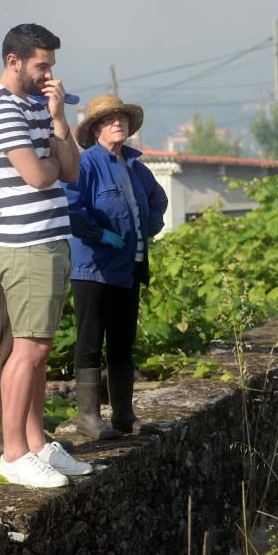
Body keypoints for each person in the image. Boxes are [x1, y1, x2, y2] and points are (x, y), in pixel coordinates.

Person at [0, 23, 92, 487]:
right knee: (28, 349)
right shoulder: (3, 110)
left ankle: (36, 444)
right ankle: (13, 452)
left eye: (52, 65)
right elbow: (37, 176)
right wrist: (53, 164)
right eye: (42, 66)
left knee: (39, 348)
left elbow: (71, 172)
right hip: (26, 243)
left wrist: (58, 120)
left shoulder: (37, 107)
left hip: (50, 240)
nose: (49, 74)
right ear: (13, 61)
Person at [63, 94, 167, 438]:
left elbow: (158, 198)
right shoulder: (87, 163)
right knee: (90, 341)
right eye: (109, 120)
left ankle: (124, 414)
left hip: (130, 266)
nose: (117, 123)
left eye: (121, 118)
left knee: (122, 342)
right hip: (94, 268)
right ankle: (89, 418)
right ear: (95, 130)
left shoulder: (135, 166)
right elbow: (72, 207)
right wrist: (99, 234)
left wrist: (151, 222)